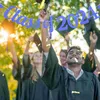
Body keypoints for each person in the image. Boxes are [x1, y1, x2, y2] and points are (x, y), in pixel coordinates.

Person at [40, 10, 100, 100]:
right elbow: (47, 48)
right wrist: (44, 24)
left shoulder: (92, 79)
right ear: (66, 60)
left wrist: (92, 44)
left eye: (78, 53)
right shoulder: (58, 74)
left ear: (83, 61)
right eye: (71, 53)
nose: (74, 54)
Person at [7, 35, 49, 100]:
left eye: (40, 55)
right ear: (32, 59)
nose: (38, 57)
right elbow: (25, 57)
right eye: (36, 55)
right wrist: (28, 43)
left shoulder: (47, 74)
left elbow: (46, 53)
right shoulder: (28, 73)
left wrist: (38, 42)